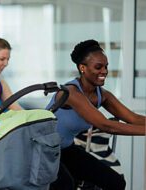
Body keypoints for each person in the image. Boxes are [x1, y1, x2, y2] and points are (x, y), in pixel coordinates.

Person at [48, 39, 145, 190]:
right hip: (44, 150)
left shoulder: (102, 95)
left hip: (66, 148)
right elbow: (105, 125)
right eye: (98, 67)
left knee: (116, 183)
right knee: (66, 185)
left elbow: (133, 118)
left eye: (106, 66)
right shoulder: (71, 93)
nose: (104, 71)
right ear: (82, 68)